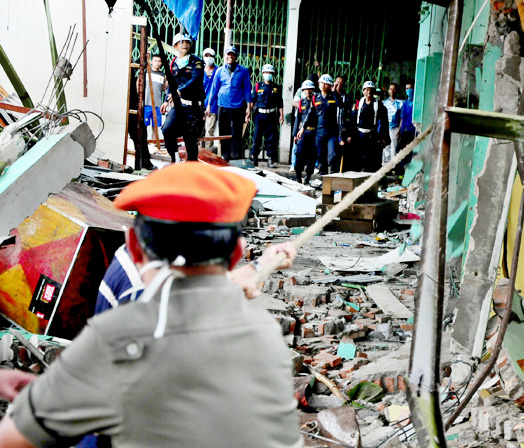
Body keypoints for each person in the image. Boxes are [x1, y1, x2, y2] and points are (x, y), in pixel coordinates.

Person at [0, 163, 303, 448]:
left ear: (132, 243)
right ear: (237, 252)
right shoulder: (265, 336)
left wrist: (50, 398)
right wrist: (260, 265)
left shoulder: (118, 334)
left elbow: (13, 439)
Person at [160, 33, 205, 163]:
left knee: (190, 139)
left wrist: (180, 91)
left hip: (194, 107)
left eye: (187, 42)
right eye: (181, 42)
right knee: (167, 129)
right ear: (175, 46)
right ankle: (174, 157)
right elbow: (171, 83)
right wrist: (165, 101)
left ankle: (191, 165)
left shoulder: (196, 62)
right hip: (180, 105)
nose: (184, 44)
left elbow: (196, 80)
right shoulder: (173, 63)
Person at [207, 46, 252, 161]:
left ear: (236, 56)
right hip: (223, 105)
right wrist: (209, 105)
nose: (230, 57)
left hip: (238, 106)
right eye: (228, 54)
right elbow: (214, 89)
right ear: (225, 56)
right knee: (224, 131)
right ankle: (226, 155)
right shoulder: (219, 71)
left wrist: (248, 107)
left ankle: (236, 156)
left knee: (237, 132)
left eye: (233, 54)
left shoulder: (243, 71)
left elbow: (247, 89)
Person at [348, 81, 389, 172]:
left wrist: (383, 137)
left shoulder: (379, 106)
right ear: (363, 91)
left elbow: (384, 123)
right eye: (366, 90)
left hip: (372, 135)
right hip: (359, 135)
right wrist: (350, 135)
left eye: (371, 90)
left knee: (371, 161)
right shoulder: (358, 105)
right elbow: (352, 121)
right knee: (356, 160)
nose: (369, 92)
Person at [250, 64, 283, 168]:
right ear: (262, 74)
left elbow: (280, 103)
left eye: (270, 73)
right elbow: (252, 100)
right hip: (259, 115)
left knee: (271, 138)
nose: (267, 75)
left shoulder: (277, 87)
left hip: (271, 115)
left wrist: (281, 115)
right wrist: (248, 113)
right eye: (265, 73)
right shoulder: (257, 86)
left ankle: (270, 159)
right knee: (257, 137)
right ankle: (254, 158)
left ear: (272, 74)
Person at [128, 68, 156, 170]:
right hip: (127, 104)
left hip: (133, 105)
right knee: (139, 134)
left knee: (141, 133)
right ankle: (144, 161)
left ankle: (144, 161)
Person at [314, 74, 340, 175]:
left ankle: (333, 174)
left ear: (330, 85)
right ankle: (323, 178)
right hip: (319, 131)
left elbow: (340, 104)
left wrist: (334, 91)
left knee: (332, 155)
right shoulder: (315, 97)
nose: (323, 85)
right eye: (321, 83)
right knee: (321, 157)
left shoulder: (333, 96)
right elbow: (311, 114)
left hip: (331, 132)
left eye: (326, 83)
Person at [294, 79, 318, 184]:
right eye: (306, 89)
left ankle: (308, 177)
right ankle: (298, 176)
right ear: (303, 90)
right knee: (300, 154)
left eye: (310, 89)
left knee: (312, 156)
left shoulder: (317, 101)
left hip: (315, 133)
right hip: (303, 133)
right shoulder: (301, 102)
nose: (308, 91)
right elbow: (297, 119)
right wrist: (295, 134)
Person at [144, 53, 165, 143]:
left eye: (159, 61)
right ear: (151, 61)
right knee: (143, 126)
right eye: (155, 61)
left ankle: (153, 144)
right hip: (146, 103)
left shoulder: (163, 76)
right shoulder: (145, 73)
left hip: (157, 105)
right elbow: (138, 86)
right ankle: (143, 144)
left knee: (155, 126)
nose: (157, 63)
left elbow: (164, 88)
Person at [396, 83, 417, 174]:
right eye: (407, 88)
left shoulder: (416, 103)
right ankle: (401, 171)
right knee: (399, 151)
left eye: (410, 88)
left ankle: (408, 172)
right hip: (405, 130)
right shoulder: (405, 103)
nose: (408, 90)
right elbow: (402, 118)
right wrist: (400, 130)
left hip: (413, 130)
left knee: (410, 152)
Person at [202, 47, 219, 154]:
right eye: (206, 56)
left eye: (210, 56)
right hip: (199, 104)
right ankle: (198, 152)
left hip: (212, 105)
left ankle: (208, 153)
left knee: (209, 130)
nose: (208, 58)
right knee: (198, 130)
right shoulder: (199, 70)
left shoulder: (218, 71)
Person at [382, 83, 404, 165]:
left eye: (394, 89)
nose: (392, 91)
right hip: (386, 128)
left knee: (394, 147)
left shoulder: (400, 103)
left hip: (395, 128)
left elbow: (402, 117)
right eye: (390, 89)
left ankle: (393, 166)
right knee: (386, 148)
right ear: (388, 90)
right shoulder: (384, 103)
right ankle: (385, 166)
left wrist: (399, 129)